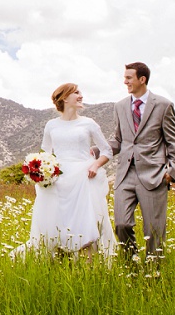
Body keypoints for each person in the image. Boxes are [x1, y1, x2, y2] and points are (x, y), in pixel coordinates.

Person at [12, 82, 115, 260]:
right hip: (58, 180)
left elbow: (107, 151)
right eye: (76, 92)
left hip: (83, 178)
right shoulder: (52, 125)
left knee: (86, 223)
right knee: (55, 222)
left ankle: (88, 268)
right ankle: (58, 261)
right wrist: (41, 171)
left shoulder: (89, 123)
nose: (81, 95)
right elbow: (45, 153)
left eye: (80, 92)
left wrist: (95, 165)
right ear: (65, 98)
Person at [107, 61, 175, 265]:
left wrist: (171, 172)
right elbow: (118, 140)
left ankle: (153, 275)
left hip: (154, 175)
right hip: (124, 175)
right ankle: (130, 267)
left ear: (142, 79)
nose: (125, 81)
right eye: (125, 78)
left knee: (154, 231)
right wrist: (97, 151)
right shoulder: (120, 106)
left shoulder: (163, 105)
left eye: (129, 78)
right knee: (121, 224)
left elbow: (173, 142)